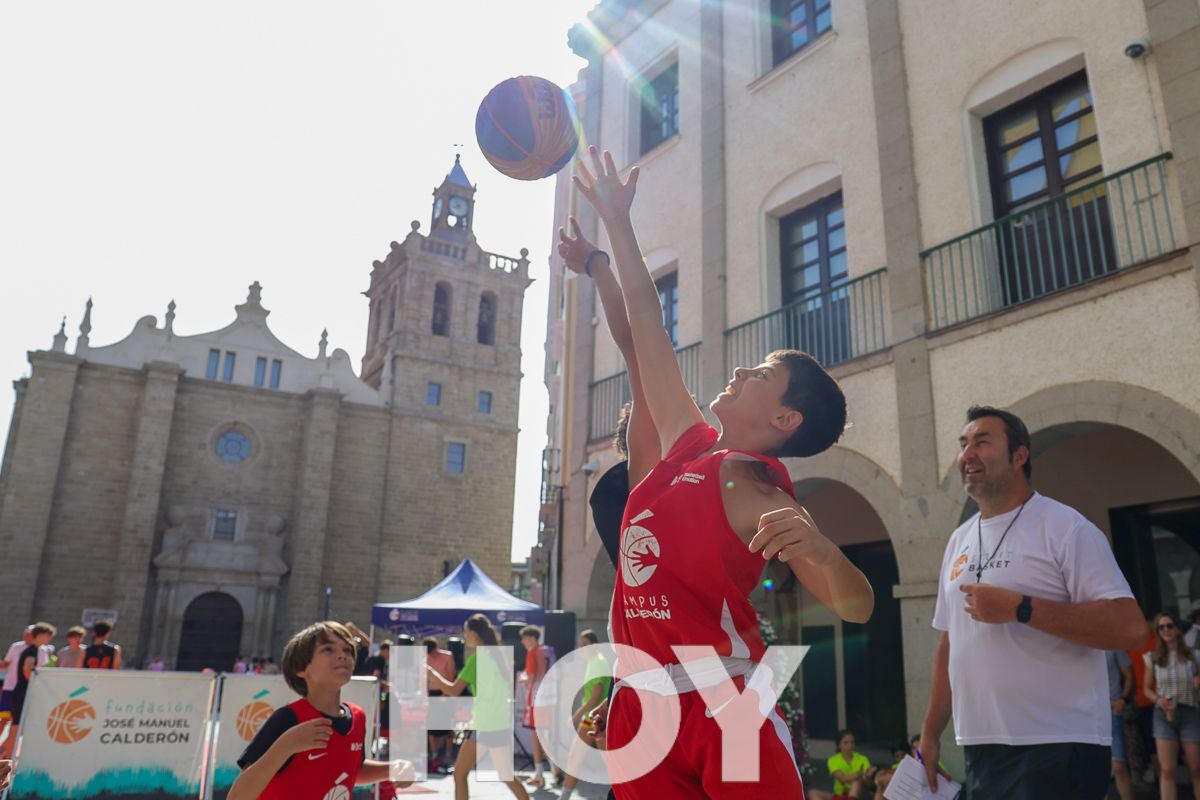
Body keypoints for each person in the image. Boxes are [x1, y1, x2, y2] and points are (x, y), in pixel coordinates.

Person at [569, 147, 873, 798]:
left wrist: (823, 551)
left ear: (785, 419)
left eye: (760, 374)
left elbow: (856, 606)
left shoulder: (758, 493)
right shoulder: (686, 444)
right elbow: (645, 327)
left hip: (719, 703)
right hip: (640, 707)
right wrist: (616, 225)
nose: (739, 371)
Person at [919, 405, 1147, 799]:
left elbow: (1130, 627)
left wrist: (1020, 608)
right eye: (963, 444)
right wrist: (929, 734)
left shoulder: (1065, 527)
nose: (967, 454)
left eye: (982, 442)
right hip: (981, 744)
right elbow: (950, 643)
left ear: (1019, 455)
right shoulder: (959, 539)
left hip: (1057, 742)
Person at [229, 620, 412, 800]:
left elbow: (350, 770)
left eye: (347, 650)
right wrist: (286, 746)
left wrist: (391, 769)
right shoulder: (288, 718)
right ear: (301, 668)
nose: (342, 655)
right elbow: (238, 796)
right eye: (328, 649)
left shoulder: (358, 717)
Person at [426, 614, 530, 800]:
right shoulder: (500, 657)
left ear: (474, 633)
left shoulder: (477, 660)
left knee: (459, 774)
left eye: (466, 632)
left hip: (484, 724)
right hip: (499, 722)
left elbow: (453, 690)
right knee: (506, 775)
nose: (465, 635)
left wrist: (432, 674)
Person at [1143, 612, 1200, 800]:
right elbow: (1146, 688)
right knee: (1167, 769)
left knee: (1195, 767)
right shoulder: (1153, 657)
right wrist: (1158, 700)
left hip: (1189, 710)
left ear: (1177, 629)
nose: (1166, 630)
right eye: (1161, 627)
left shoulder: (1193, 655)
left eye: (1169, 626)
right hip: (1164, 712)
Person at [556, 630, 612, 800]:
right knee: (576, 758)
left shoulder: (597, 663)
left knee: (609, 762)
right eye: (579, 645)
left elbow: (595, 697)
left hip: (594, 719)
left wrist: (576, 715)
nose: (581, 649)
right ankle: (564, 796)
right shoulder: (595, 662)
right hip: (593, 719)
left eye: (585, 645)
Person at [8, 622, 56, 758]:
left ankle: (8, 755)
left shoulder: (35, 651)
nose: (50, 639)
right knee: (16, 726)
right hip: (22, 693)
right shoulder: (31, 652)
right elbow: (27, 671)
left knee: (18, 726)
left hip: (23, 692)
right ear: (39, 635)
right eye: (48, 636)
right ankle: (8, 757)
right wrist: (39, 684)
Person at [517, 625, 550, 787]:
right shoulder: (546, 651)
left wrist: (521, 679)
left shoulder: (532, 652)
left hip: (535, 697)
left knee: (535, 735)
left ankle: (539, 774)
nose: (522, 642)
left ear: (531, 638)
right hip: (546, 697)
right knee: (543, 735)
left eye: (524, 638)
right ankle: (554, 770)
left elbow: (530, 678)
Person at [0, 626, 34, 759]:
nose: (27, 636)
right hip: (10, 687)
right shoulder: (16, 646)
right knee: (4, 718)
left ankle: (6, 747)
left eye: (30, 634)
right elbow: (6, 663)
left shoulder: (41, 650)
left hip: (25, 690)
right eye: (26, 634)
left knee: (18, 720)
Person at [425, 637, 458, 774]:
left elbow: (451, 676)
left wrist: (446, 694)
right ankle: (434, 756)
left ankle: (448, 756)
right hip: (432, 694)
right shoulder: (426, 658)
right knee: (432, 728)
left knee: (447, 727)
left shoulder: (447, 656)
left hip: (445, 693)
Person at [1107, 648, 1135, 800]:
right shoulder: (1081, 645)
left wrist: (1123, 700)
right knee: (1096, 766)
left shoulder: (1113, 644)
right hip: (1090, 712)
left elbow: (1129, 674)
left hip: (1112, 709)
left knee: (1118, 765)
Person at [826, 729, 870, 798]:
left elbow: (867, 780)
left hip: (860, 795)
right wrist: (859, 774)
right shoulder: (832, 760)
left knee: (856, 782)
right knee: (813, 793)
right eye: (846, 743)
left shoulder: (863, 759)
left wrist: (867, 775)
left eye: (852, 742)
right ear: (839, 745)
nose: (850, 745)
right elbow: (842, 779)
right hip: (840, 795)